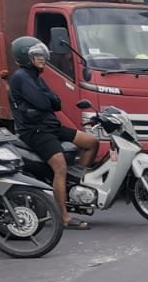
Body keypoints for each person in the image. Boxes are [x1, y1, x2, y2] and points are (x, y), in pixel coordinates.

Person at [7, 36, 99, 228]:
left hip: (51, 126)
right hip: (35, 131)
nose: (42, 59)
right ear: (26, 58)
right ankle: (64, 217)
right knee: (60, 166)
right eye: (37, 56)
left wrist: (47, 100)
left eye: (42, 55)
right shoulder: (21, 78)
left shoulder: (35, 77)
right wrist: (47, 100)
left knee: (91, 142)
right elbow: (44, 102)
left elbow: (56, 103)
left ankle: (74, 186)